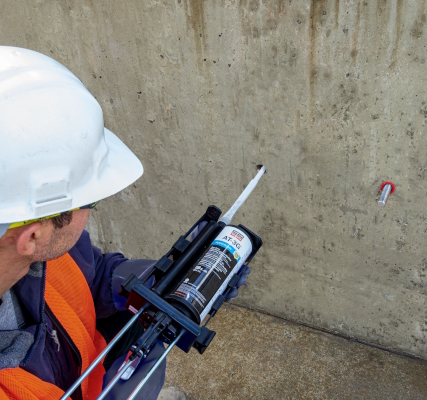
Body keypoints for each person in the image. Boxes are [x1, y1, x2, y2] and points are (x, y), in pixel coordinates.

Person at [0, 47, 248, 400]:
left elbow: (91, 274)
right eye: (89, 200)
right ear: (33, 235)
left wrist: (150, 280)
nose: (91, 210)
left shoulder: (35, 251)